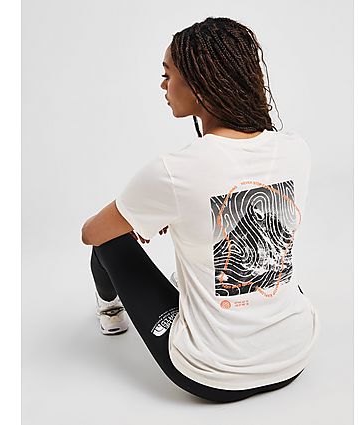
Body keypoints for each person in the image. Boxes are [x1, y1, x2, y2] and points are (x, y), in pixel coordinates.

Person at [81, 16, 319, 403]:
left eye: (168, 74)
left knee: (111, 243)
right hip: (294, 355)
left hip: (212, 375)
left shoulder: (174, 170)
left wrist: (139, 218)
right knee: (272, 265)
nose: (163, 85)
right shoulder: (297, 149)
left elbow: (91, 232)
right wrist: (171, 212)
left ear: (198, 83)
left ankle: (110, 312)